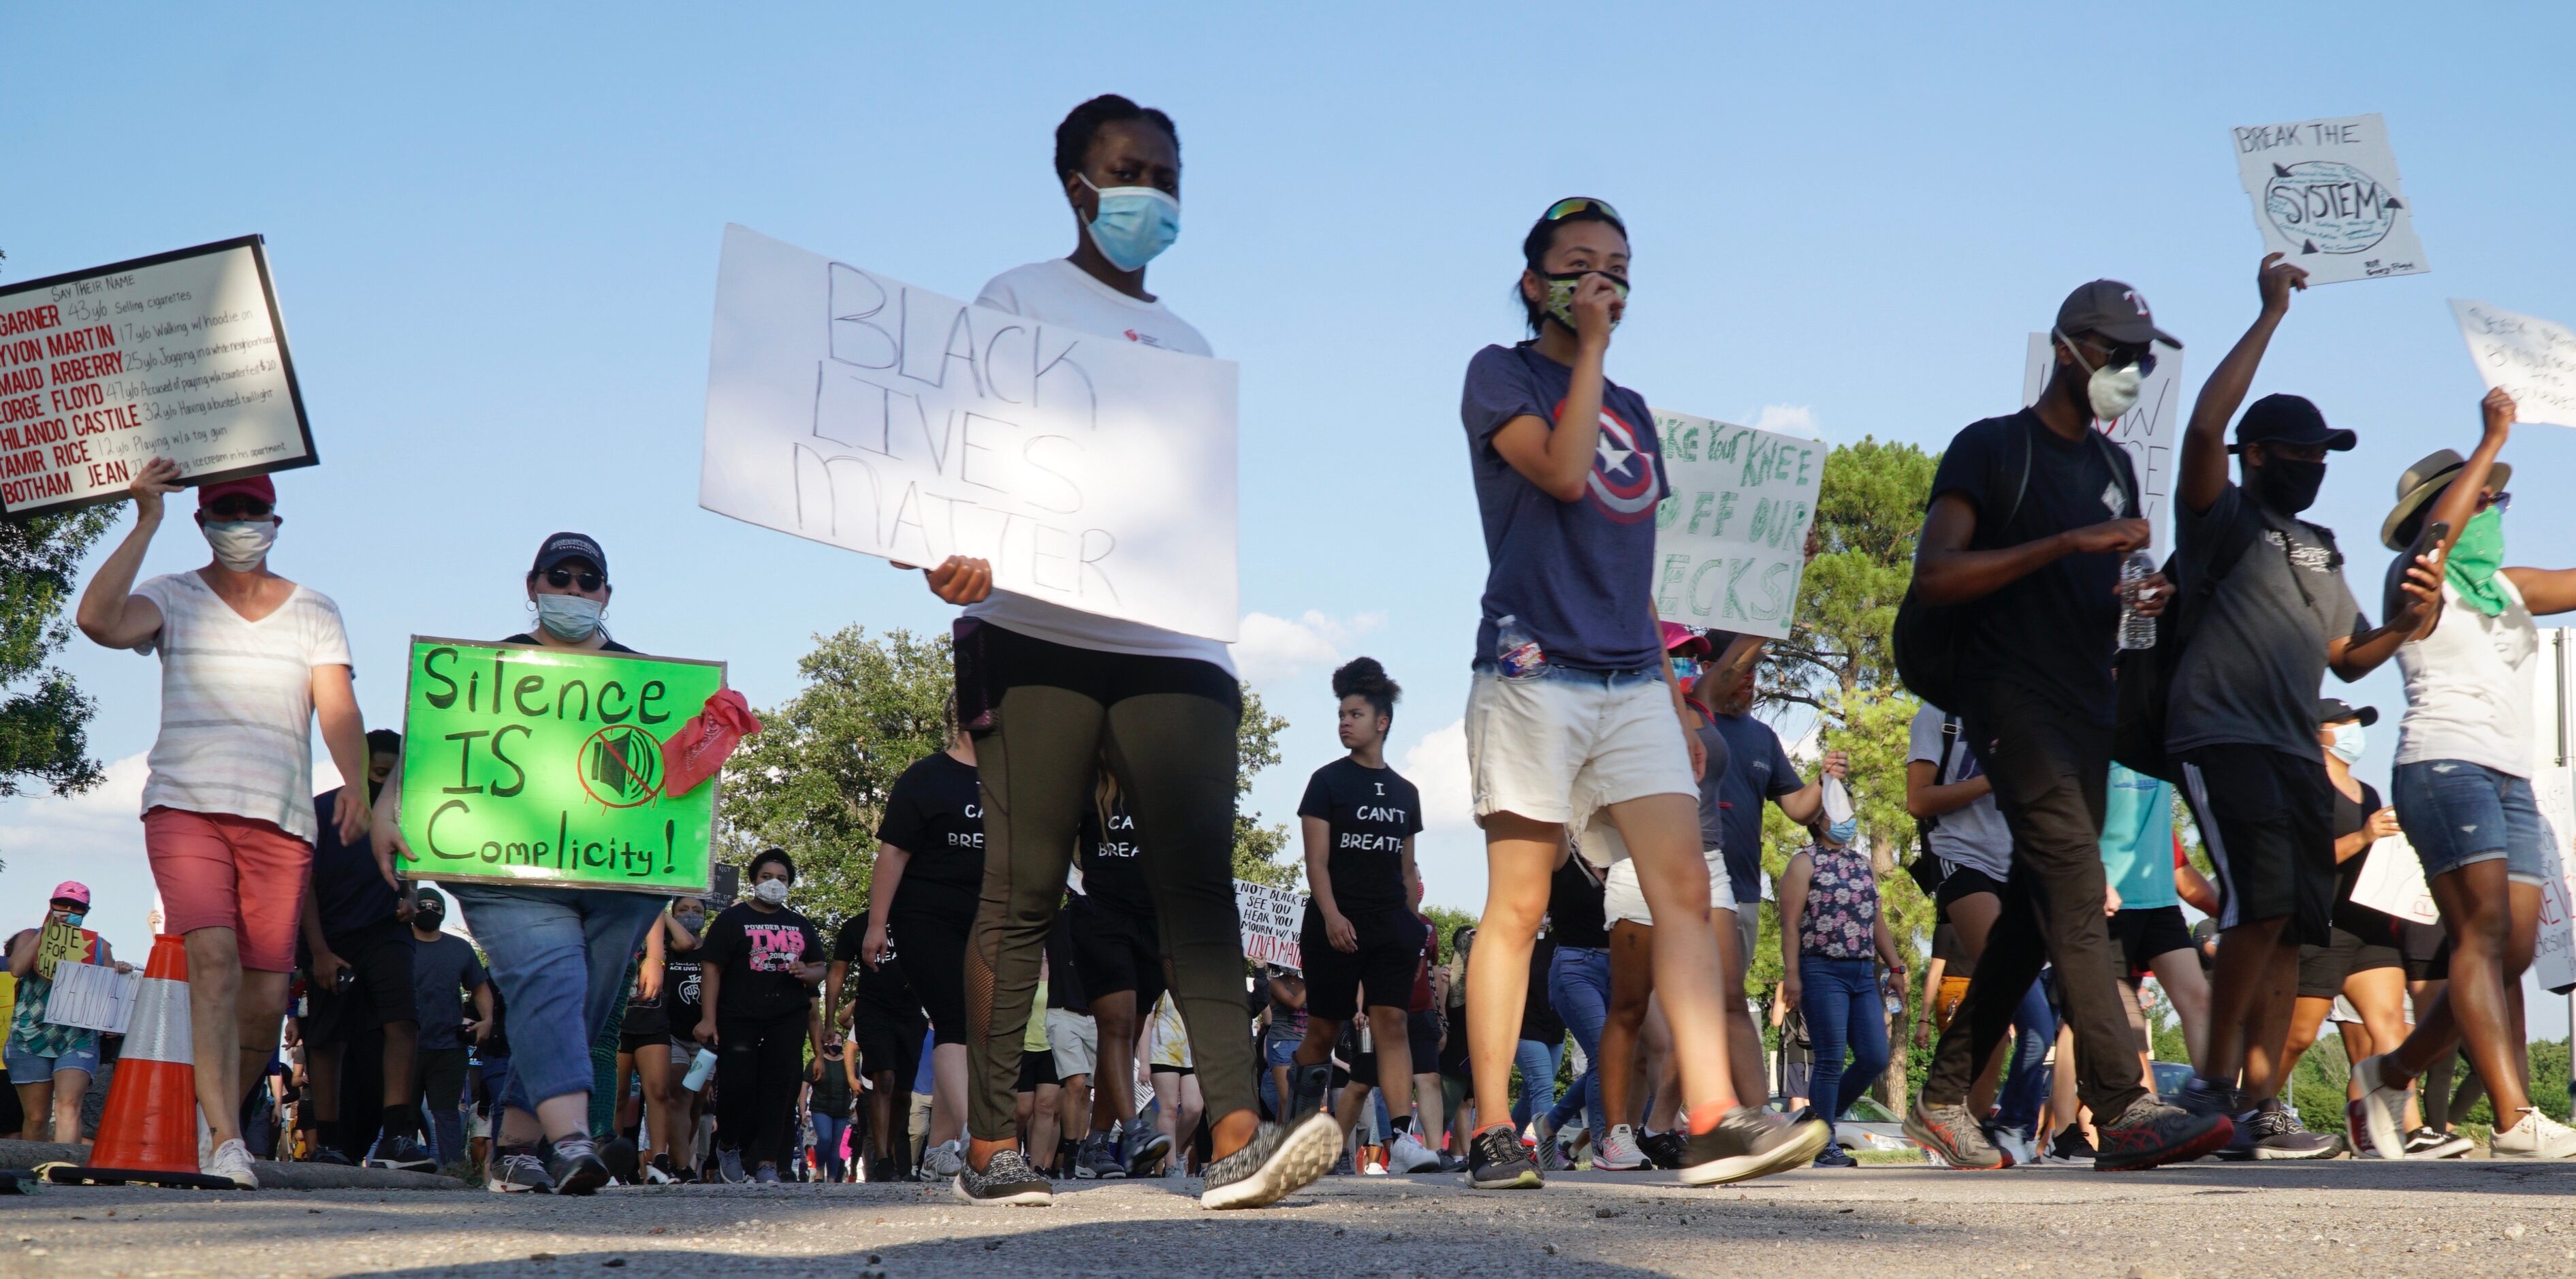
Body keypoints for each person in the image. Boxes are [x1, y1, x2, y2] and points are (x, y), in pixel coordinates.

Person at [907, 93, 1331, 1211]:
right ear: (1076, 186)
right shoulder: (1013, 300)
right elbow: (954, 463)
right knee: (1023, 886)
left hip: (1174, 645)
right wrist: (946, 554)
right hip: (1035, 633)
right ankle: (992, 1142)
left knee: (1194, 884)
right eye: (1127, 168)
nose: (1151, 189)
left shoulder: (1186, 346)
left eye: (1167, 173)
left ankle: (1236, 1131)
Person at [1454, 195, 1825, 1192]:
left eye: (1617, 264)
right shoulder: (1501, 373)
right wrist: (1586, 354)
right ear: (1535, 285)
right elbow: (1565, 477)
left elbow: (1636, 571)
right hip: (1532, 670)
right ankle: (1492, 1127)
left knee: (1683, 896)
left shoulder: (1633, 409)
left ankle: (1709, 1114)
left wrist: (1673, 693)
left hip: (1628, 678)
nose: (1601, 278)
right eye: (1578, 264)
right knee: (1518, 903)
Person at [1903, 277, 2227, 1171]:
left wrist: (2141, 600)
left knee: (2036, 910)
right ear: (2066, 347)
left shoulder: (2113, 469)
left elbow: (2109, 607)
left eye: (2140, 356)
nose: (2129, 369)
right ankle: (2120, 1106)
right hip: (2008, 701)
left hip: (2089, 707)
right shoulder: (1991, 448)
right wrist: (2061, 545)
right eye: (2115, 352)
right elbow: (1935, 575)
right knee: (2079, 889)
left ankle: (1940, 1096)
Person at [2166, 255, 2422, 1160]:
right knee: (2258, 901)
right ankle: (2207, 1087)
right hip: (2217, 732)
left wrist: (2402, 625)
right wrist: (2269, 312)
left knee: (2288, 921)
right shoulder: (2219, 516)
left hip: (2288, 745)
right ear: (2259, 456)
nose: (2316, 465)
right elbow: (2202, 425)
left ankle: (2260, 1103)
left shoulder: (2318, 544)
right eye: (2302, 452)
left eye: (2324, 455)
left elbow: (2346, 653)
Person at [76, 465, 372, 1188]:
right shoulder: (172, 596)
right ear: (203, 520)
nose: (239, 521)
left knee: (267, 999)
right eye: (225, 510)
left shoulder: (314, 610)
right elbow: (97, 621)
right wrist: (144, 520)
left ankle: (221, 1118)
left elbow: (337, 709)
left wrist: (360, 788)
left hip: (280, 819)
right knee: (212, 960)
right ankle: (225, 1140)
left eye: (251, 510)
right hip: (185, 805)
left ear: (274, 522)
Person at [372, 531, 675, 1194]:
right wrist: (385, 807)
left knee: (576, 1000)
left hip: (612, 880)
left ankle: (514, 1146)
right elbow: (432, 748)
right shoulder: (488, 670)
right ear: (533, 586)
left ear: (606, 594)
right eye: (558, 579)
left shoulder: (645, 683)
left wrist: (713, 734)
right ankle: (571, 1140)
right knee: (551, 974)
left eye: (584, 581)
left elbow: (672, 782)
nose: (571, 592)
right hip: (505, 873)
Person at [2355, 388, 2576, 1160]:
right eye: (2484, 497)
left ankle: (2390, 1073)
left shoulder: (2507, 588)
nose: (2496, 506)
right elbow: (2438, 538)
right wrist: (2491, 440)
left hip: (2509, 780)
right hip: (2444, 766)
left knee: (2509, 949)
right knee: (2480, 935)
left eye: (2500, 496)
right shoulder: (2417, 580)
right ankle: (2515, 1120)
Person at [1284, 658, 1440, 1174]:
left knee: (1391, 1021)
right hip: (1335, 923)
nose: (1344, 722)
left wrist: (1414, 929)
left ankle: (1402, 1141)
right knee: (1323, 1033)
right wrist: (1330, 915)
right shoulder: (1326, 782)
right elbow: (1316, 861)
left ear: (1382, 721)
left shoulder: (1405, 793)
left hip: (1389, 926)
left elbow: (1407, 865)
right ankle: (1296, 1137)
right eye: (1340, 714)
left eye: (1354, 713)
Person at [1698, 632, 1844, 1105]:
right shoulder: (1687, 724)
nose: (1750, 684)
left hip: (1739, 894)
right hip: (1681, 887)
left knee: (1725, 1005)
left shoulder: (1762, 736)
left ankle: (1733, 1116)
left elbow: (1798, 809)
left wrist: (1823, 780)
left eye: (1756, 675)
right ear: (1714, 671)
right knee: (1671, 1007)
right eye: (1741, 673)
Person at [1906, 700, 2053, 1165]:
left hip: (2015, 866)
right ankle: (1985, 1122)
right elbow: (1918, 799)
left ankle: (1957, 1127)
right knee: (2029, 1012)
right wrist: (1991, 778)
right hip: (1959, 858)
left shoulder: (2020, 714)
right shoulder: (1938, 715)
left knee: (1999, 1019)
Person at [2274, 701, 2406, 1154]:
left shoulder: (2367, 793)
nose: (2355, 732)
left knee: (2389, 1024)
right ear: (2317, 733)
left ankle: (2400, 1129)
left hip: (2367, 925)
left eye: (2359, 724)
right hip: (2321, 924)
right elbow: (2303, 861)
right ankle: (2252, 1110)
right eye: (2345, 724)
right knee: (2297, 1038)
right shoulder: (2302, 786)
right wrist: (2365, 836)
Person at [298, 729, 428, 1169]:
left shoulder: (405, 812)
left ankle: (397, 1136)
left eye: (393, 776)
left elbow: (410, 869)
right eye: (377, 773)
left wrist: (410, 898)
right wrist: (317, 951)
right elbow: (305, 886)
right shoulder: (320, 811)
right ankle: (328, 1141)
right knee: (326, 1038)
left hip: (387, 933)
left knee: (402, 1022)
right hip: (332, 939)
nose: (383, 784)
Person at [862, 719, 985, 1184]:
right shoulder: (925, 777)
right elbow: (892, 854)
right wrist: (877, 926)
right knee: (956, 1018)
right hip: (925, 917)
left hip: (989, 918)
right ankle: (982, 1137)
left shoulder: (1012, 780)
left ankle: (938, 1149)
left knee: (985, 1028)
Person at [1068, 770, 1175, 1181]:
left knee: (1128, 1034)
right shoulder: (1086, 784)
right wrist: (1072, 888)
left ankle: (1094, 1146)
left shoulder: (1160, 785)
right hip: (1101, 917)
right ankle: (1132, 1133)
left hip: (1151, 924)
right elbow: (1051, 841)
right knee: (1117, 1022)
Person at [1777, 812, 1901, 1167]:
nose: (1847, 818)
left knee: (1875, 1057)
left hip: (1863, 971)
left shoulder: (1862, 864)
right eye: (1836, 810)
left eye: (1850, 810)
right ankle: (1823, 1144)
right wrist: (1792, 974)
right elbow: (1789, 925)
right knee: (1830, 1059)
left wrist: (1895, 967)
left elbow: (1875, 918)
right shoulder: (1804, 863)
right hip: (1821, 968)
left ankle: (1817, 1123)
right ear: (1818, 818)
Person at [697, 849, 826, 1182]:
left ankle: (768, 1162)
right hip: (738, 1015)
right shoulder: (731, 919)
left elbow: (820, 967)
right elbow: (711, 969)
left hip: (787, 1015)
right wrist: (708, 1019)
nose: (774, 884)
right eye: (767, 877)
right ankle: (728, 1144)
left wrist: (807, 973)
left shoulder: (800, 924)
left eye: (782, 879)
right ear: (754, 880)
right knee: (738, 1085)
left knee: (779, 1088)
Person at [2099, 765, 2210, 1098]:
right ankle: (2069, 1133)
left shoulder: (2158, 752)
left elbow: (2182, 871)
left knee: (2199, 999)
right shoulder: (2091, 743)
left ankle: (2218, 1105)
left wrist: (2237, 912)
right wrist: (2091, 876)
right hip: (2107, 902)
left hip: (2160, 904)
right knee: (2094, 1025)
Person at [5, 885, 127, 1143]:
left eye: (77, 907)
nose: (68, 911)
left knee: (69, 1108)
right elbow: (16, 968)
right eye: (62, 904)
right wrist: (45, 932)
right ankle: (37, 1172)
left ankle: (65, 1173)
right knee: (37, 1117)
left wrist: (119, 970)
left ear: (86, 911)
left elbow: (108, 988)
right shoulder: (30, 935)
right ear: (52, 904)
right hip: (30, 1036)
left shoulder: (99, 946)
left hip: (77, 1038)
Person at [827, 894, 925, 1184]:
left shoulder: (918, 924)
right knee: (883, 1079)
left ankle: (890, 1151)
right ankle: (882, 1159)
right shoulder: (857, 926)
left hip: (910, 1013)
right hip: (873, 1010)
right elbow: (837, 973)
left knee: (904, 1095)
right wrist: (829, 1021)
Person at [404, 889, 494, 1170]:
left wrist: (487, 1020)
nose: (429, 910)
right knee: (403, 1112)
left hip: (448, 1046)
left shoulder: (459, 948)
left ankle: (454, 1171)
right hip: (404, 1045)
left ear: (444, 911)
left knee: (446, 1113)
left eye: (436, 906)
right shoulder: (399, 945)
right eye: (423, 905)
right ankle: (402, 1166)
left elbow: (480, 986)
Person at [616, 901, 697, 1182]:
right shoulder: (614, 918)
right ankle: (612, 1163)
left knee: (660, 1092)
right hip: (619, 1021)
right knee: (619, 1095)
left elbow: (686, 941)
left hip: (653, 1020)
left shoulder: (657, 926)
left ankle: (658, 1162)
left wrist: (655, 908)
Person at [1040, 907, 1094, 1178]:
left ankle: (1079, 1155)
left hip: (1096, 1014)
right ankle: (1070, 1162)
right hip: (1062, 1011)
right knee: (1076, 1082)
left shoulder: (1107, 919)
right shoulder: (1059, 918)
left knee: (1086, 1091)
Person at [663, 897, 713, 1181]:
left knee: (698, 1099)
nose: (691, 915)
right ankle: (682, 1165)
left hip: (705, 1043)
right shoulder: (668, 949)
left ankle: (680, 1154)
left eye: (698, 911)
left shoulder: (714, 951)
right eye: (683, 910)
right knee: (679, 1094)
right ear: (673, 914)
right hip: (673, 1037)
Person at [810, 1033, 857, 1183]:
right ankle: (819, 1170)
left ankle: (831, 1179)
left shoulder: (849, 1063)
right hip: (821, 1108)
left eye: (839, 1041)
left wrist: (855, 1107)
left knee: (838, 1145)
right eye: (833, 1040)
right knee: (825, 1138)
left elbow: (854, 1086)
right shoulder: (817, 1061)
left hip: (842, 1109)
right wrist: (803, 1110)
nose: (836, 1044)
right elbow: (805, 1085)